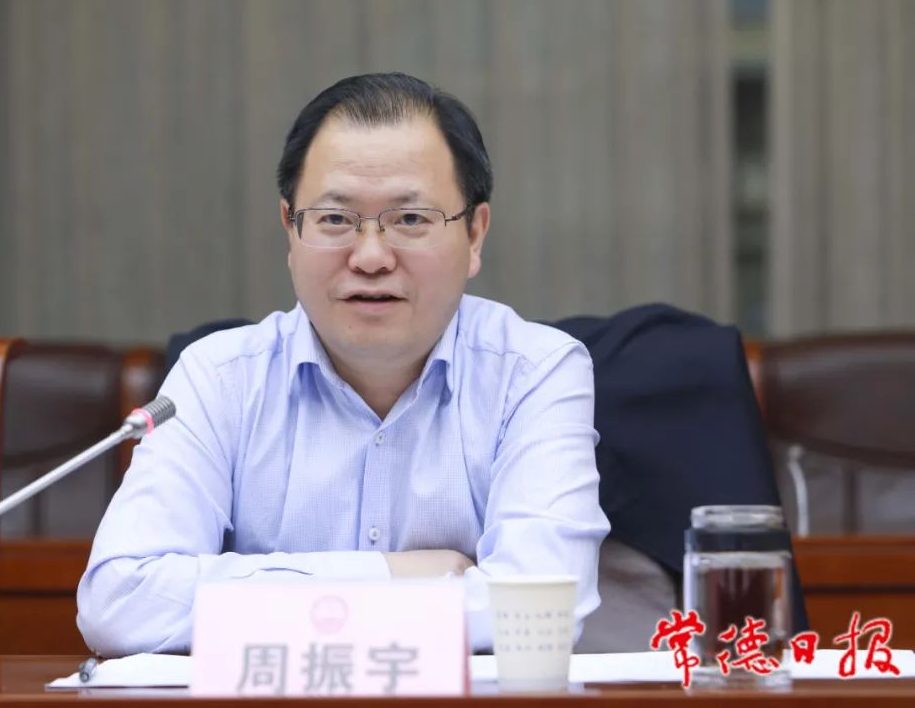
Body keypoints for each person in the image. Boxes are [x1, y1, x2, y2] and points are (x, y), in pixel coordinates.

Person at [76, 72, 609, 656]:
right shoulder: (219, 378)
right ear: (291, 229)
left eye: (410, 220)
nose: (371, 257)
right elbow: (120, 602)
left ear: (475, 234)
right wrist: (393, 575)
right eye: (334, 219)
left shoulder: (534, 373)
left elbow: (541, 608)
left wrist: (267, 600)